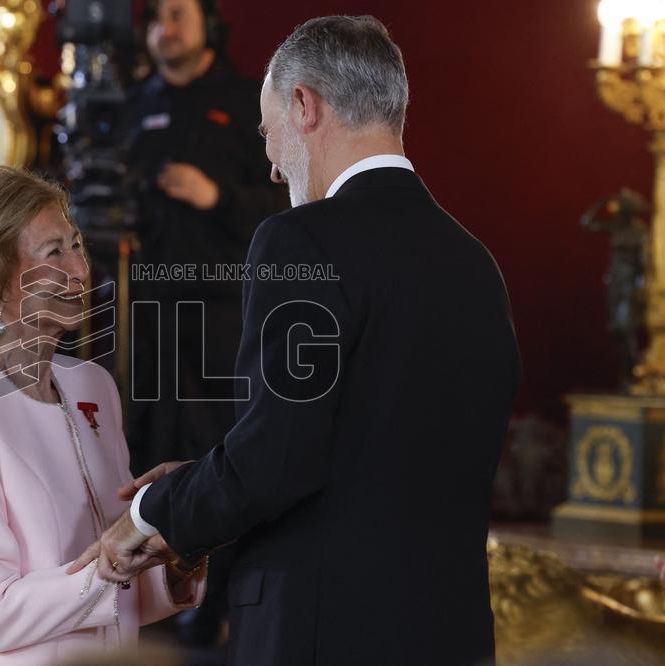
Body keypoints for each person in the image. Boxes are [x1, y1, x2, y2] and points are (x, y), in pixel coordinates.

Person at [71, 15, 522, 665]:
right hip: (451, 635)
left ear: (305, 106)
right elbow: (363, 444)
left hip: (322, 633)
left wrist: (150, 512)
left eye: (267, 132)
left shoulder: (300, 241)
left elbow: (276, 459)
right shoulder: (475, 261)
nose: (274, 168)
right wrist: (207, 474)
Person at [0, 165, 207, 665]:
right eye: (53, 252)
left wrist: (177, 541)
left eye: (76, 245)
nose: (80, 271)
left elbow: (115, 597)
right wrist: (109, 567)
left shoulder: (93, 387)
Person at [125, 0, 289, 475]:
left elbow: (288, 202)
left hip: (222, 314)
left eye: (178, 15)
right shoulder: (127, 108)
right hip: (140, 314)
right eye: (155, 18)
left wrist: (216, 196)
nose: (165, 28)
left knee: (220, 452)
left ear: (210, 25)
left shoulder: (249, 103)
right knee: (137, 448)